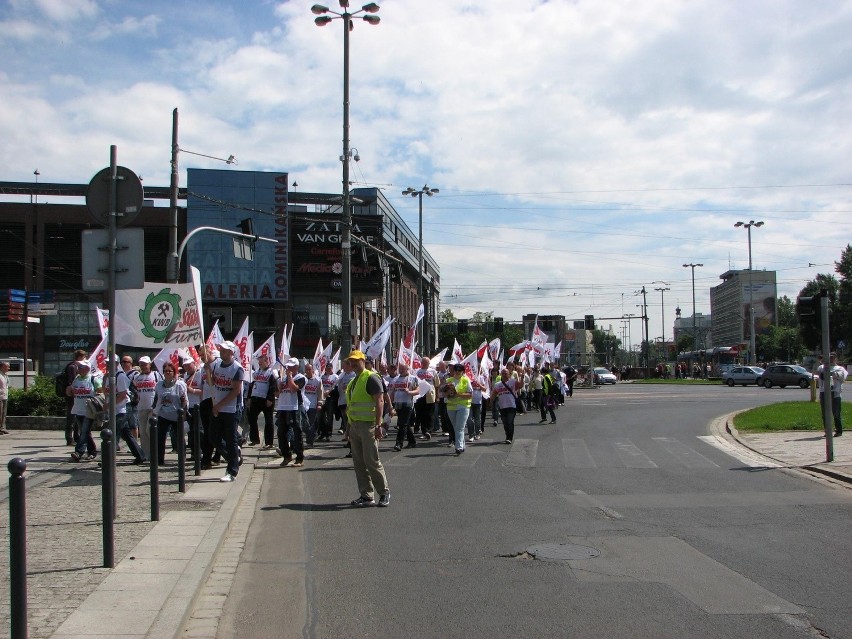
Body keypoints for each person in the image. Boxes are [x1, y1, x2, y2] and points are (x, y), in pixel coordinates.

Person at [344, 350, 390, 507]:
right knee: (358, 463)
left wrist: (378, 425)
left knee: (371, 461)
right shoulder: (353, 381)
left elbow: (380, 401)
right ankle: (366, 495)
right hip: (356, 425)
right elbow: (351, 407)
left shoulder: (370, 377)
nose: (354, 363)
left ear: (363, 360)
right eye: (351, 361)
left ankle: (384, 493)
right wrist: (348, 428)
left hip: (369, 425)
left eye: (356, 360)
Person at [205, 341, 245, 482]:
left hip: (231, 408)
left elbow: (235, 391)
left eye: (225, 350)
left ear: (231, 352)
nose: (222, 352)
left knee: (230, 439)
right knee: (213, 436)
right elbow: (213, 382)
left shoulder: (237, 368)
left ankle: (232, 471)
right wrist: (208, 372)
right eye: (221, 350)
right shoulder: (216, 365)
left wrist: (220, 405)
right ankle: (233, 457)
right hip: (218, 406)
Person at [105, 356, 147, 464]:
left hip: (123, 409)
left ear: (116, 364)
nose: (108, 365)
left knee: (114, 433)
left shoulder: (120, 377)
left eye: (111, 363)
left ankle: (108, 459)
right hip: (115, 409)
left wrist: (109, 405)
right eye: (107, 363)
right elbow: (107, 392)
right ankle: (140, 455)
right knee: (126, 434)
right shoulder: (109, 376)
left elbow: (123, 395)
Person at [152, 361, 188, 465]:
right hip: (163, 414)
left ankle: (182, 457)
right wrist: (154, 412)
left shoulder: (180, 385)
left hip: (177, 415)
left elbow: (184, 400)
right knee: (160, 437)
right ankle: (159, 460)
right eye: (165, 371)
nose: (167, 373)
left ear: (174, 372)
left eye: (169, 371)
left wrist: (183, 414)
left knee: (179, 438)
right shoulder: (159, 385)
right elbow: (156, 400)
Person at [275, 357, 306, 467]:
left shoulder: (301, 377)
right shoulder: (282, 378)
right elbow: (278, 394)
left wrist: (289, 377)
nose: (289, 368)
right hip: (282, 407)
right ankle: (287, 455)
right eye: (288, 366)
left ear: (297, 367)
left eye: (292, 366)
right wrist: (278, 386)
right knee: (281, 433)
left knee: (297, 433)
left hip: (294, 407)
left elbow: (294, 389)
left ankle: (299, 457)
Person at [68, 360, 101, 461]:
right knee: (85, 432)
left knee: (84, 431)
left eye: (82, 367)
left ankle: (79, 452)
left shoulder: (93, 379)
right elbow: (71, 392)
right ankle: (92, 452)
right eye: (79, 367)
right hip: (78, 409)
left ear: (88, 368)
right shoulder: (76, 379)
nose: (79, 369)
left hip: (89, 410)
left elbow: (100, 393)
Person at [134, 356, 162, 460]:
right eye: (141, 364)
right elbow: (135, 389)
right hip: (141, 407)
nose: (143, 366)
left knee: (149, 429)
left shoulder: (156, 375)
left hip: (153, 407)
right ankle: (146, 454)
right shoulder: (137, 377)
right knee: (143, 431)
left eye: (145, 364)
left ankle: (155, 452)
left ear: (150, 364)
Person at [247, 353, 278, 448]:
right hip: (256, 398)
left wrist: (270, 398)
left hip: (266, 400)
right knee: (251, 418)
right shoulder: (256, 372)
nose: (259, 364)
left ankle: (269, 442)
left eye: (261, 362)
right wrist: (249, 397)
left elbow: (273, 387)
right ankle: (255, 439)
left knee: (268, 421)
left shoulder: (271, 372)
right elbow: (251, 385)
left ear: (267, 361)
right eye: (259, 362)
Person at [816, 352, 847, 437]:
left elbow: (842, 377)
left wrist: (832, 373)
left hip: (835, 393)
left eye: (833, 357)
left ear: (836, 358)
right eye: (829, 357)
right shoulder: (822, 367)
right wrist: (820, 361)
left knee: (836, 413)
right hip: (824, 392)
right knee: (824, 412)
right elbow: (817, 372)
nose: (831, 359)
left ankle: (839, 430)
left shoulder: (840, 368)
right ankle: (827, 430)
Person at [445, 363, 473, 455]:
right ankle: (462, 445)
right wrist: (447, 394)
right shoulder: (449, 380)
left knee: (459, 428)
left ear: (462, 372)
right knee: (455, 427)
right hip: (451, 406)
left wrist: (458, 394)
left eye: (459, 370)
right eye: (455, 370)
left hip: (463, 406)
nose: (457, 372)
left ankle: (459, 447)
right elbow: (443, 393)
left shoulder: (466, 380)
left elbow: (470, 395)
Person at [391, 362, 419, 451]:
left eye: (403, 369)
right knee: (405, 424)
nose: (401, 370)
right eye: (400, 369)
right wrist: (391, 405)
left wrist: (409, 392)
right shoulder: (395, 379)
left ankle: (399, 443)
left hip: (407, 404)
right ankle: (412, 441)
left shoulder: (413, 378)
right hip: (398, 404)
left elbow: (417, 391)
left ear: (408, 369)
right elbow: (393, 392)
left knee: (402, 424)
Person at [63, 349, 88, 445]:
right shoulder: (72, 367)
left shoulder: (75, 366)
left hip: (76, 395)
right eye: (84, 357)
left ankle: (76, 437)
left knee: (76, 415)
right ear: (80, 357)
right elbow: (72, 382)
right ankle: (69, 438)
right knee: (71, 416)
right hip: (72, 395)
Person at [492, 368, 522, 443]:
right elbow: (494, 394)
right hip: (502, 407)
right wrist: (490, 402)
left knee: (510, 421)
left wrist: (522, 377)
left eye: (506, 373)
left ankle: (509, 438)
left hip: (511, 406)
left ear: (509, 374)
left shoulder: (513, 382)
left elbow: (520, 385)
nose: (504, 375)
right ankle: (507, 435)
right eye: (503, 373)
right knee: (505, 423)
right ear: (501, 375)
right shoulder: (498, 385)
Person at [414, 357, 437, 439]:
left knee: (430, 414)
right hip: (420, 394)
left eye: (427, 362)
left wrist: (436, 396)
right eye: (424, 362)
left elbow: (437, 384)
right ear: (421, 363)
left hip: (430, 395)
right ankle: (424, 431)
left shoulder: (433, 371)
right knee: (421, 413)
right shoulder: (417, 371)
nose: (426, 364)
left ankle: (429, 430)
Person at [302, 363, 323, 448]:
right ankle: (310, 436)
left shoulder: (317, 380)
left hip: (313, 405)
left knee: (311, 424)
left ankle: (310, 442)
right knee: (304, 424)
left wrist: (319, 404)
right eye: (306, 369)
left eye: (309, 369)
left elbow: (320, 393)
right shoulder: (302, 379)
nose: (308, 371)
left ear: (312, 370)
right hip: (303, 405)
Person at [0, 361, 9, 434]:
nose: (9, 368)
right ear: (2, 367)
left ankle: (2, 427)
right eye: (7, 366)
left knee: (3, 413)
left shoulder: (5, 375)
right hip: (0, 396)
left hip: (5, 396)